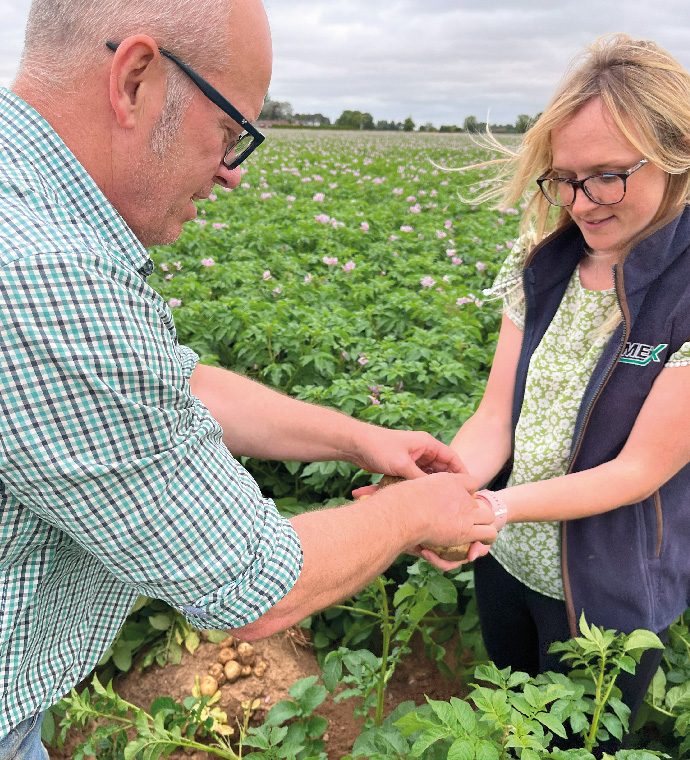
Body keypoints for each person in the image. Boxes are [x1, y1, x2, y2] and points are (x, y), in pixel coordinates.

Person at [0, 0, 499, 754]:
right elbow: (255, 583)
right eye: (231, 132)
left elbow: (171, 386)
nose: (232, 174)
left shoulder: (29, 208)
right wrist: (416, 512)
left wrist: (360, 439)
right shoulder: (49, 275)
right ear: (136, 78)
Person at [448, 33, 690, 749]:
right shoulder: (543, 265)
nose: (581, 202)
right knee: (513, 715)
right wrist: (444, 492)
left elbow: (638, 470)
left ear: (675, 152)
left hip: (604, 598)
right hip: (504, 560)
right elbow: (496, 417)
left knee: (581, 742)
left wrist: (490, 506)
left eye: (607, 176)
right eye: (564, 179)